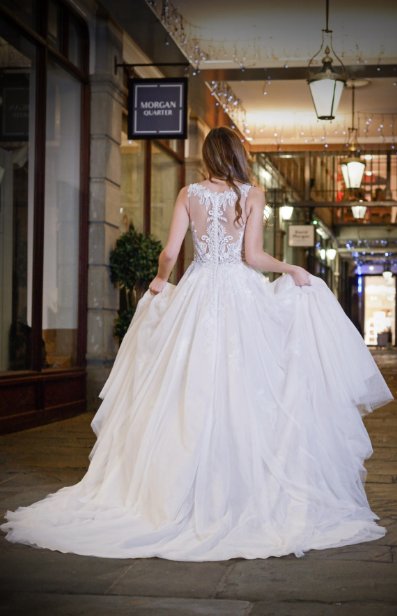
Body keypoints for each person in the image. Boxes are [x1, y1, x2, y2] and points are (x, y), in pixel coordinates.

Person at [1, 127, 393, 561]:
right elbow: (254, 258)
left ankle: (175, 489)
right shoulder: (253, 194)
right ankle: (245, 488)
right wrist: (290, 270)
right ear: (238, 155)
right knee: (248, 385)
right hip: (241, 293)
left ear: (207, 156)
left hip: (199, 291)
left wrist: (159, 281)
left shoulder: (190, 194)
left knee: (186, 386)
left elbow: (170, 253)